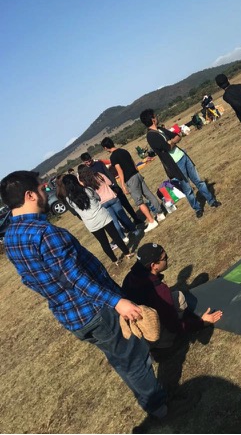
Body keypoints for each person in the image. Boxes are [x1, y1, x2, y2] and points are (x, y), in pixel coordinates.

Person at [0, 170, 167, 417]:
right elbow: (74, 278)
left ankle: (149, 399)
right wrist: (117, 301)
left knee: (120, 358)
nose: (46, 193)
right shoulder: (46, 234)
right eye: (41, 189)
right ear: (29, 196)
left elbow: (29, 280)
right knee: (133, 356)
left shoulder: (11, 238)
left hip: (69, 315)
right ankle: (158, 406)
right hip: (95, 309)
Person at [122, 243, 223, 349]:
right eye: (164, 258)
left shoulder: (130, 277)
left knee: (176, 297)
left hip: (135, 332)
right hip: (152, 336)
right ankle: (164, 345)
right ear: (154, 266)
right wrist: (202, 322)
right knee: (179, 298)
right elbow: (174, 326)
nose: (167, 259)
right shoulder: (160, 290)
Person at [139, 109, 220, 219]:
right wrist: (172, 141)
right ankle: (197, 208)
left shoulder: (160, 129)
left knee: (199, 181)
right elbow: (167, 147)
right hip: (175, 165)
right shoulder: (151, 136)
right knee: (187, 189)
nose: (157, 117)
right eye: (155, 116)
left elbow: (177, 135)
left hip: (183, 157)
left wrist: (172, 141)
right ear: (152, 119)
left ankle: (212, 201)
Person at [59, 174, 135, 265]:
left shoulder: (69, 200)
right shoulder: (87, 190)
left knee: (104, 243)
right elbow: (98, 198)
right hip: (103, 216)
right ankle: (127, 253)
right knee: (115, 236)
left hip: (91, 224)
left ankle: (115, 260)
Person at [101, 137, 164, 232]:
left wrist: (122, 185)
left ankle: (151, 221)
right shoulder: (124, 150)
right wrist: (136, 171)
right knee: (149, 194)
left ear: (105, 147)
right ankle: (160, 213)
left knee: (139, 202)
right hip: (137, 174)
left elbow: (120, 171)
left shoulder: (113, 157)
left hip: (130, 179)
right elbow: (133, 162)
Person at [77, 165, 141, 244]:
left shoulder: (85, 184)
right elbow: (109, 182)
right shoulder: (98, 175)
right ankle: (135, 230)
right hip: (112, 198)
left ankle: (123, 237)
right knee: (123, 216)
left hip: (102, 203)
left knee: (114, 221)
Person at [80, 152, 141, 223]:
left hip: (113, 187)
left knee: (126, 204)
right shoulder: (87, 171)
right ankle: (126, 225)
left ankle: (136, 218)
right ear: (83, 162)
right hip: (105, 194)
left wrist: (115, 185)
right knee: (116, 211)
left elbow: (109, 174)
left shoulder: (99, 164)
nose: (88, 163)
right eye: (86, 162)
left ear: (91, 158)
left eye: (89, 161)